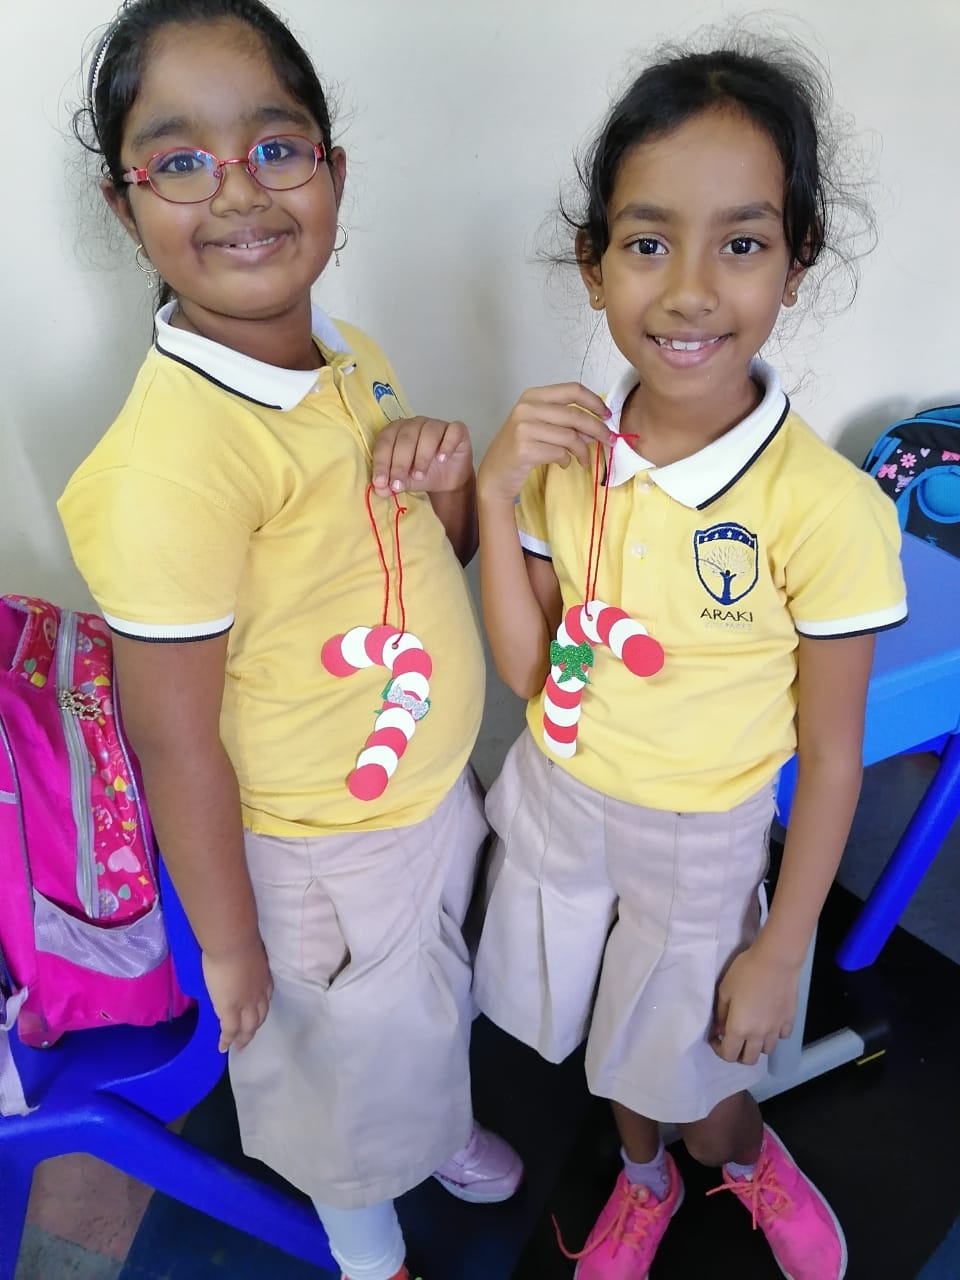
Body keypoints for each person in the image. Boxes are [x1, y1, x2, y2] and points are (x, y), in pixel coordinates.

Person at [58, 4, 521, 1279]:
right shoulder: (169, 467)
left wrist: (448, 477)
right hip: (322, 853)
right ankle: (371, 1245)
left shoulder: (347, 356)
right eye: (180, 160)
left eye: (275, 146)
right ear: (124, 205)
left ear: (333, 173)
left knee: (420, 1005)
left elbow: (435, 554)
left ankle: (435, 1124)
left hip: (423, 793)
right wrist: (232, 945)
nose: (237, 190)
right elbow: (171, 735)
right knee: (339, 1078)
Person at [473, 38, 906, 1280]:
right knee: (608, 1044)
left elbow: (832, 754)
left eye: (743, 242)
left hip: (699, 839)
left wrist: (783, 946)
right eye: (649, 241)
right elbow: (531, 673)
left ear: (797, 261)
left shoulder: (824, 509)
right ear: (594, 261)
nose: (691, 290)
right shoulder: (566, 457)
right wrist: (496, 495)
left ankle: (743, 1156)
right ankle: (644, 1176)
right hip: (559, 805)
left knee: (701, 1066)